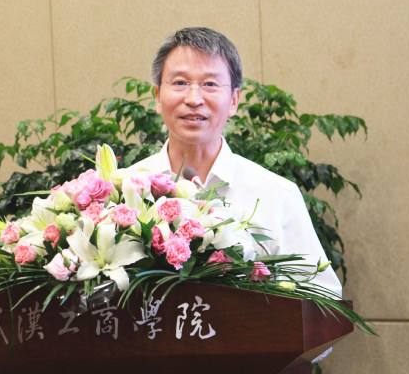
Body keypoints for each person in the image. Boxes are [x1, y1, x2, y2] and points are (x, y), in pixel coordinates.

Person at [130, 27, 342, 297]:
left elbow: (322, 299)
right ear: (158, 97)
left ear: (233, 100)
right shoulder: (124, 190)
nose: (193, 99)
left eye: (210, 84)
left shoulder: (277, 195)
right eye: (180, 83)